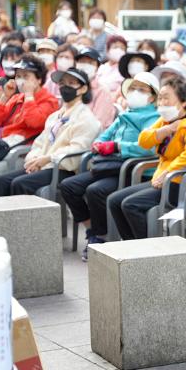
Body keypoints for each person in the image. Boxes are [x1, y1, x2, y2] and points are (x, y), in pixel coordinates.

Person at [60, 72, 161, 260]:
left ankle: (102, 237)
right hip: (110, 166)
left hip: (131, 170)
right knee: (69, 186)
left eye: (142, 89)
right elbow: (105, 135)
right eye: (133, 88)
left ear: (153, 97)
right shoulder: (124, 115)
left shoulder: (153, 118)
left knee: (95, 190)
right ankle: (92, 229)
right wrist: (99, 143)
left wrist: (117, 146)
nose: (135, 92)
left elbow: (148, 148)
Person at [107, 78, 186, 240]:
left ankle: (149, 250)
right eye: (160, 98)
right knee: (114, 201)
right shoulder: (166, 121)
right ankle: (132, 246)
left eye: (166, 98)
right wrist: (165, 130)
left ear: (183, 102)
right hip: (163, 180)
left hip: (182, 184)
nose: (161, 103)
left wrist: (168, 172)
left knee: (131, 205)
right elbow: (144, 141)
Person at [0, 68, 101, 197]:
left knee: (20, 184)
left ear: (83, 89)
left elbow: (77, 149)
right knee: (1, 182)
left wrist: (48, 158)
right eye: (62, 83)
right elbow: (40, 143)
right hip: (43, 164)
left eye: (71, 83)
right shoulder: (55, 116)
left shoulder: (87, 119)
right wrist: (34, 159)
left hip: (64, 169)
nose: (65, 87)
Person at [0, 56, 60, 179]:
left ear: (39, 80)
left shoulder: (49, 101)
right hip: (5, 148)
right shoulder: (16, 98)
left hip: (23, 153)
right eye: (18, 76)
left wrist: (29, 96)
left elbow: (34, 122)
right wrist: (5, 96)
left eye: (26, 76)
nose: (21, 80)